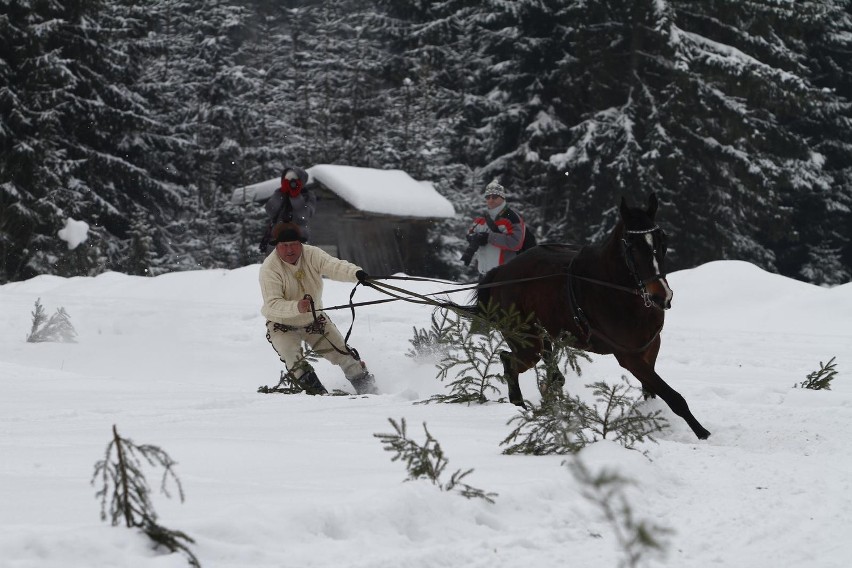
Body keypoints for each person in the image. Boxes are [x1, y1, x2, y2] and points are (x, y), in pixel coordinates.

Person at [259, 221, 379, 395]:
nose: (290, 250)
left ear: (300, 244)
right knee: (295, 362)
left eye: (293, 244)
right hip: (281, 325)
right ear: (276, 246)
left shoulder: (312, 254)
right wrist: (297, 307)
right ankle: (319, 397)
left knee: (346, 357)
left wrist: (356, 274)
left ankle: (373, 395)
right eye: (284, 245)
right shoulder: (269, 269)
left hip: (315, 320)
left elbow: (334, 266)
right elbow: (272, 304)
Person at [461, 179, 526, 276]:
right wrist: (473, 238)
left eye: (494, 196)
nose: (491, 200)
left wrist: (488, 237)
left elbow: (516, 243)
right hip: (483, 274)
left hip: (504, 275)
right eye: (488, 197)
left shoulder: (512, 217)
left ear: (502, 197)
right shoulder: (481, 218)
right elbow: (470, 234)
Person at [259, 166, 317, 253]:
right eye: (287, 179)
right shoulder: (279, 193)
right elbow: (270, 211)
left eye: (294, 179)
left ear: (301, 181)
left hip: (299, 239)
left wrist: (296, 197)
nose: (290, 182)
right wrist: (281, 193)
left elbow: (304, 216)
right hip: (277, 239)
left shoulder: (308, 196)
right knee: (275, 265)